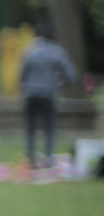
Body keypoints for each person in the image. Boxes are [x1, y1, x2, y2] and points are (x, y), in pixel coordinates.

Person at [19, 24, 79, 167]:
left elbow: (21, 76)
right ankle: (48, 157)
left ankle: (30, 157)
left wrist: (25, 88)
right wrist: (62, 84)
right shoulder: (57, 52)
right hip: (48, 94)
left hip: (30, 94)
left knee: (30, 127)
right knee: (50, 126)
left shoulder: (29, 50)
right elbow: (72, 74)